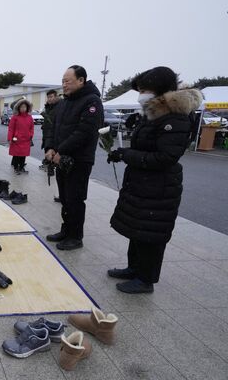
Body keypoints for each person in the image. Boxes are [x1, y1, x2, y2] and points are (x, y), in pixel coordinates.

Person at [107, 67, 203, 293]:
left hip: (159, 187)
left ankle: (146, 279)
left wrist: (126, 155)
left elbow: (166, 157)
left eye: (144, 89)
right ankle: (134, 268)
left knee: (151, 233)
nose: (141, 94)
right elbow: (145, 146)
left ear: (160, 89)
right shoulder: (153, 113)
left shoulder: (175, 117)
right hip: (142, 182)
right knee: (137, 229)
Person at [44, 65, 104, 250]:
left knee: (75, 199)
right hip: (61, 158)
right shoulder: (64, 102)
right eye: (63, 81)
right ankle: (66, 230)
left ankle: (75, 236)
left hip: (79, 160)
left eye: (68, 81)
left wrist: (61, 150)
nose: (64, 84)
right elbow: (54, 128)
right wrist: (51, 148)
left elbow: (84, 132)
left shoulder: (92, 102)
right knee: (64, 197)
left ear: (81, 80)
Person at [41, 89, 62, 202]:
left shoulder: (60, 107)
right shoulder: (48, 108)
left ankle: (63, 195)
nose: (50, 99)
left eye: (52, 97)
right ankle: (62, 194)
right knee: (57, 169)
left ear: (56, 97)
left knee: (60, 169)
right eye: (48, 97)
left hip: (56, 141)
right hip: (48, 138)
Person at [8, 98, 35, 174]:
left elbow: (32, 127)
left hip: (26, 140)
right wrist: (10, 138)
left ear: (27, 108)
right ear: (18, 108)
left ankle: (22, 167)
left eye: (24, 107)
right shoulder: (15, 117)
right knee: (16, 155)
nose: (23, 108)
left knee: (24, 155)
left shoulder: (29, 117)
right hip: (16, 139)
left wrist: (31, 135)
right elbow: (11, 128)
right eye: (21, 107)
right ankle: (16, 168)